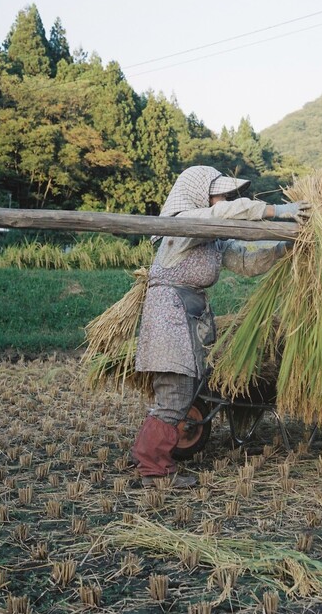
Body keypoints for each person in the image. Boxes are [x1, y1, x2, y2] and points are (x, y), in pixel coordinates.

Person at [132, 165, 310, 488]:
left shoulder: (212, 239)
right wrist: (279, 211)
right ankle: (153, 468)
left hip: (187, 317)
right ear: (201, 196)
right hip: (168, 315)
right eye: (222, 194)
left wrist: (285, 247)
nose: (226, 199)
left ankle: (150, 457)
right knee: (176, 391)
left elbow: (246, 261)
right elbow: (228, 211)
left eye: (228, 195)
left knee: (183, 391)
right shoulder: (184, 226)